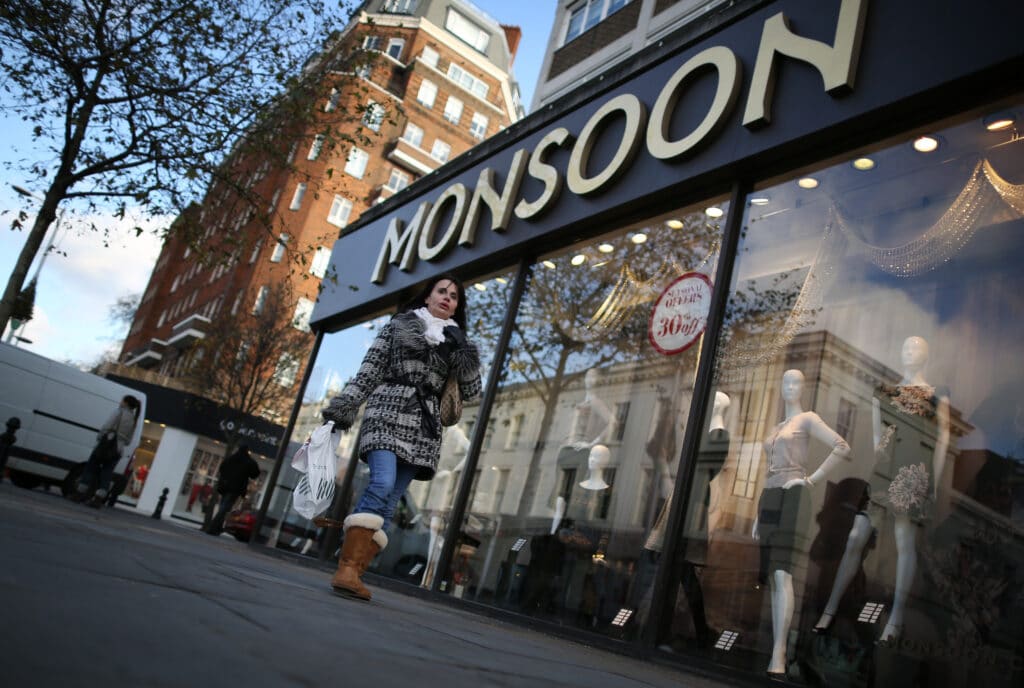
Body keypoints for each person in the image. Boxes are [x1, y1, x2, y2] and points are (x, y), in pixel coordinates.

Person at [321, 273, 482, 601]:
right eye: (441, 291)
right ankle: (347, 568)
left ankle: (355, 571)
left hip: (424, 427)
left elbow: (473, 392)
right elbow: (370, 370)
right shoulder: (399, 326)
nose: (447, 297)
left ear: (456, 306)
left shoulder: (456, 340)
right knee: (381, 483)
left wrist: (463, 353)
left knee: (392, 499)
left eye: (454, 295)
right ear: (428, 296)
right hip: (388, 410)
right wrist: (346, 405)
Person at [813, 335, 950, 643]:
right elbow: (878, 438)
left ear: (926, 355)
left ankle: (897, 617)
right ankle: (831, 609)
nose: (909, 351)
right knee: (855, 536)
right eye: (905, 346)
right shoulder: (883, 391)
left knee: (903, 540)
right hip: (885, 472)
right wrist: (880, 463)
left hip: (914, 470)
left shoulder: (937, 395)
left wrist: (935, 484)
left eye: (916, 347)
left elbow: (942, 440)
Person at [753, 370, 849, 679]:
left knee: (783, 573)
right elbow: (769, 467)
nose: (790, 386)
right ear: (781, 388)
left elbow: (841, 447)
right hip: (769, 496)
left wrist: (810, 480)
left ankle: (779, 652)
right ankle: (774, 647)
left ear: (803, 388)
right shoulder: (776, 427)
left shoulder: (807, 419)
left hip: (793, 495)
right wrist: (757, 513)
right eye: (786, 382)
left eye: (796, 382)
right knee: (771, 574)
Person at [73, 395, 141, 507]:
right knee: (106, 474)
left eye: (122, 400)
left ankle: (80, 493)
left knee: (90, 468)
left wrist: (100, 438)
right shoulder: (133, 419)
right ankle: (98, 499)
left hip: (106, 444)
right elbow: (128, 441)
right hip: (118, 450)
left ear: (126, 403)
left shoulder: (119, 412)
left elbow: (107, 426)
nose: (120, 402)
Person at [206, 444, 260, 536]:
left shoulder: (231, 458)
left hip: (225, 486)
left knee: (223, 506)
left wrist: (225, 478)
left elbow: (222, 468)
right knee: (225, 508)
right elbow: (255, 474)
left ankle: (216, 527)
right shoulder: (248, 461)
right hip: (236, 488)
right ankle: (213, 527)